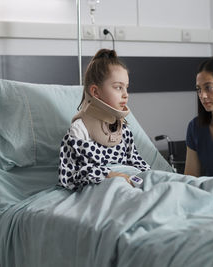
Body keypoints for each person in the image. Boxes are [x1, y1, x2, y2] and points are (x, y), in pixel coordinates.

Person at [58, 49, 150, 191]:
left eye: (126, 88)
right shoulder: (79, 130)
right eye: (118, 87)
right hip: (101, 188)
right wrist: (110, 175)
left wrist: (152, 178)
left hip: (129, 183)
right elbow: (68, 176)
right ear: (95, 92)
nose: (126, 95)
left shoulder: (123, 129)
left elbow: (138, 164)